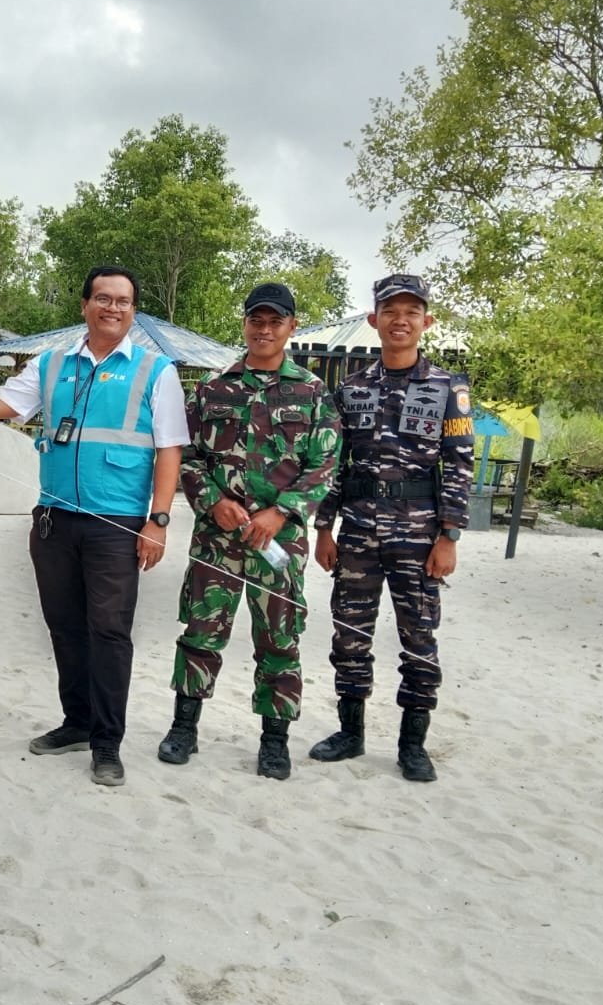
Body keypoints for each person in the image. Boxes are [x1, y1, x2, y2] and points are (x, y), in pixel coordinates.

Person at [0, 265, 185, 788]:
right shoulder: (53, 363)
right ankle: (77, 722)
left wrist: (159, 520)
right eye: (103, 298)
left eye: (124, 301)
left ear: (134, 311)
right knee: (64, 625)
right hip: (54, 519)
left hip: (118, 523)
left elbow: (169, 448)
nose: (113, 308)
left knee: (108, 631)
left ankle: (107, 742)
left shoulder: (157, 371)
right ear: (84, 305)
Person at [160, 283, 341, 779]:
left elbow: (324, 464)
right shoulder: (214, 387)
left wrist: (281, 512)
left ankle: (275, 740)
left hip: (278, 542)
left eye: (274, 322)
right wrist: (211, 501)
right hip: (217, 538)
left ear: (290, 327)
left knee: (280, 640)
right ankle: (184, 727)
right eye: (256, 321)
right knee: (201, 631)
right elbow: (186, 454)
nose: (264, 330)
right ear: (244, 324)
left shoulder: (312, 392)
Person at [309, 273, 474, 782]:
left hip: (419, 535)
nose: (401, 320)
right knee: (350, 633)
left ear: (427, 321)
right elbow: (337, 463)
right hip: (357, 531)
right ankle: (351, 733)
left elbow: (460, 464)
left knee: (418, 636)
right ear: (373, 319)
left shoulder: (449, 387)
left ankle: (412, 744)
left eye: (412, 311)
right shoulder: (352, 388)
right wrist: (323, 528)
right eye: (391, 311)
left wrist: (449, 536)